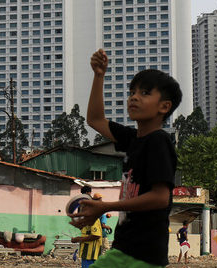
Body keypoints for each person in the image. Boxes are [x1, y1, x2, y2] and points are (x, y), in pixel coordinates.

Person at [75, 49, 182, 268]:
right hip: (126, 249)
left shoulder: (158, 141)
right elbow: (95, 119)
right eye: (132, 92)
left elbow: (161, 198)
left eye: (144, 93)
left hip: (141, 254)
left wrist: (105, 207)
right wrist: (98, 75)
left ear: (164, 106)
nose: (134, 96)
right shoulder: (133, 139)